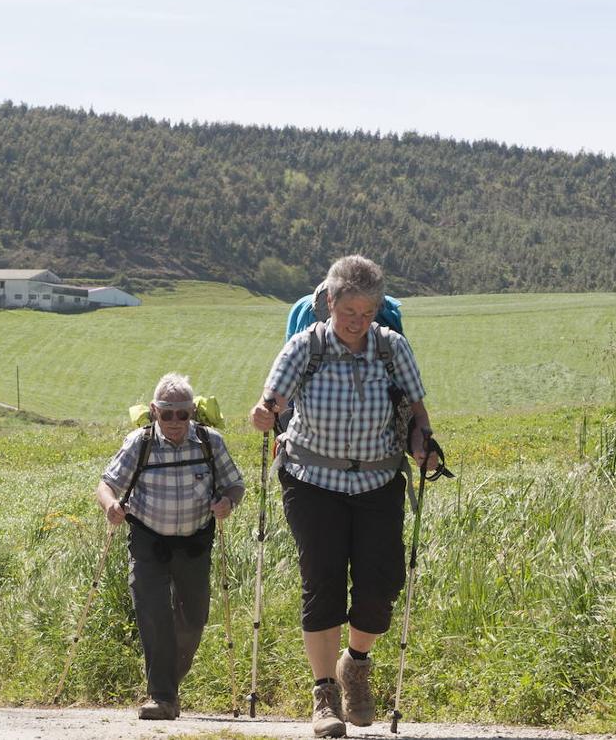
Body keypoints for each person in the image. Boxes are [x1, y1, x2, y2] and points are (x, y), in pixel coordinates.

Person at [251, 255, 438, 737]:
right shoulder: (304, 347)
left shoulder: (392, 348)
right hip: (311, 480)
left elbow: (417, 411)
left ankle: (354, 664)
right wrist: (263, 413)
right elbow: (270, 400)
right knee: (323, 581)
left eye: (368, 313)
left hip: (377, 480)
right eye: (349, 311)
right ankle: (324, 696)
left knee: (381, 586)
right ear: (329, 302)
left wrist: (423, 444)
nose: (358, 322)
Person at [97, 373, 245, 720]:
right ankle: (162, 696)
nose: (175, 422)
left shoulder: (210, 443)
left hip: (194, 543)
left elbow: (235, 485)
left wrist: (227, 502)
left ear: (193, 411)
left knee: (193, 619)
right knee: (153, 614)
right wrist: (111, 507)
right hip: (148, 540)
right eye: (167, 414)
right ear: (154, 411)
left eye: (183, 414)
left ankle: (168, 684)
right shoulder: (140, 443)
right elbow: (106, 484)